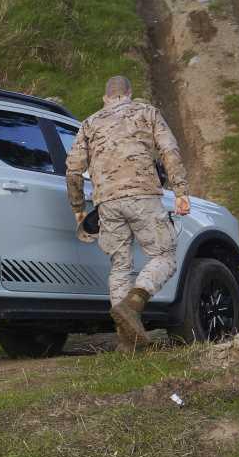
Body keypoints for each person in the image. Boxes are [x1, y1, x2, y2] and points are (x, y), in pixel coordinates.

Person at [65, 75, 190, 348]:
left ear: (105, 97)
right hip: (143, 195)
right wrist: (180, 191)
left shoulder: (90, 123)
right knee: (164, 256)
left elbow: (73, 169)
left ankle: (128, 342)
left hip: (107, 202)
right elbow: (170, 150)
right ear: (129, 93)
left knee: (120, 266)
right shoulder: (147, 112)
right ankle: (134, 304)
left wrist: (77, 208)